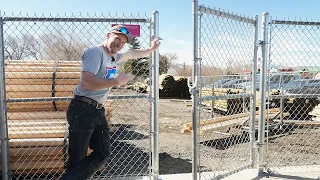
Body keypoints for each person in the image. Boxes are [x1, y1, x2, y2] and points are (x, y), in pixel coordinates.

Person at [60, 25, 162, 180]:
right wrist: (116, 81)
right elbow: (86, 82)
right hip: (83, 109)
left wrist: (151, 49)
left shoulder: (114, 57)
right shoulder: (96, 53)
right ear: (108, 35)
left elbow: (133, 53)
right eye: (117, 39)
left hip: (97, 110)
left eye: (123, 42)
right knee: (77, 158)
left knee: (103, 152)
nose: (119, 44)